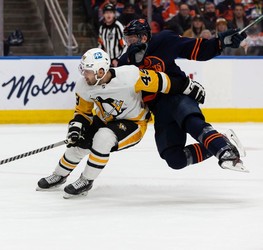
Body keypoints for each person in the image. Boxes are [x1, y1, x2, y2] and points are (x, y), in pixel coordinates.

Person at [36, 48, 206, 198]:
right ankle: (59, 175)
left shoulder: (130, 76)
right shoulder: (84, 85)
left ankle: (86, 180)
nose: (83, 74)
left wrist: (189, 87)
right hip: (104, 120)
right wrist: (76, 129)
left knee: (103, 138)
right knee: (77, 145)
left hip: (133, 123)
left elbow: (162, 82)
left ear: (101, 71)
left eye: (87, 71)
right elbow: (83, 112)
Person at [118, 18, 248, 174]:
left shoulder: (164, 40)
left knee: (192, 122)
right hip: (159, 110)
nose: (129, 43)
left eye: (132, 39)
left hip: (177, 95)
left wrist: (220, 43)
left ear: (144, 37)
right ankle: (222, 140)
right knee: (175, 159)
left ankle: (225, 151)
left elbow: (197, 49)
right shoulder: (124, 63)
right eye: (127, 39)